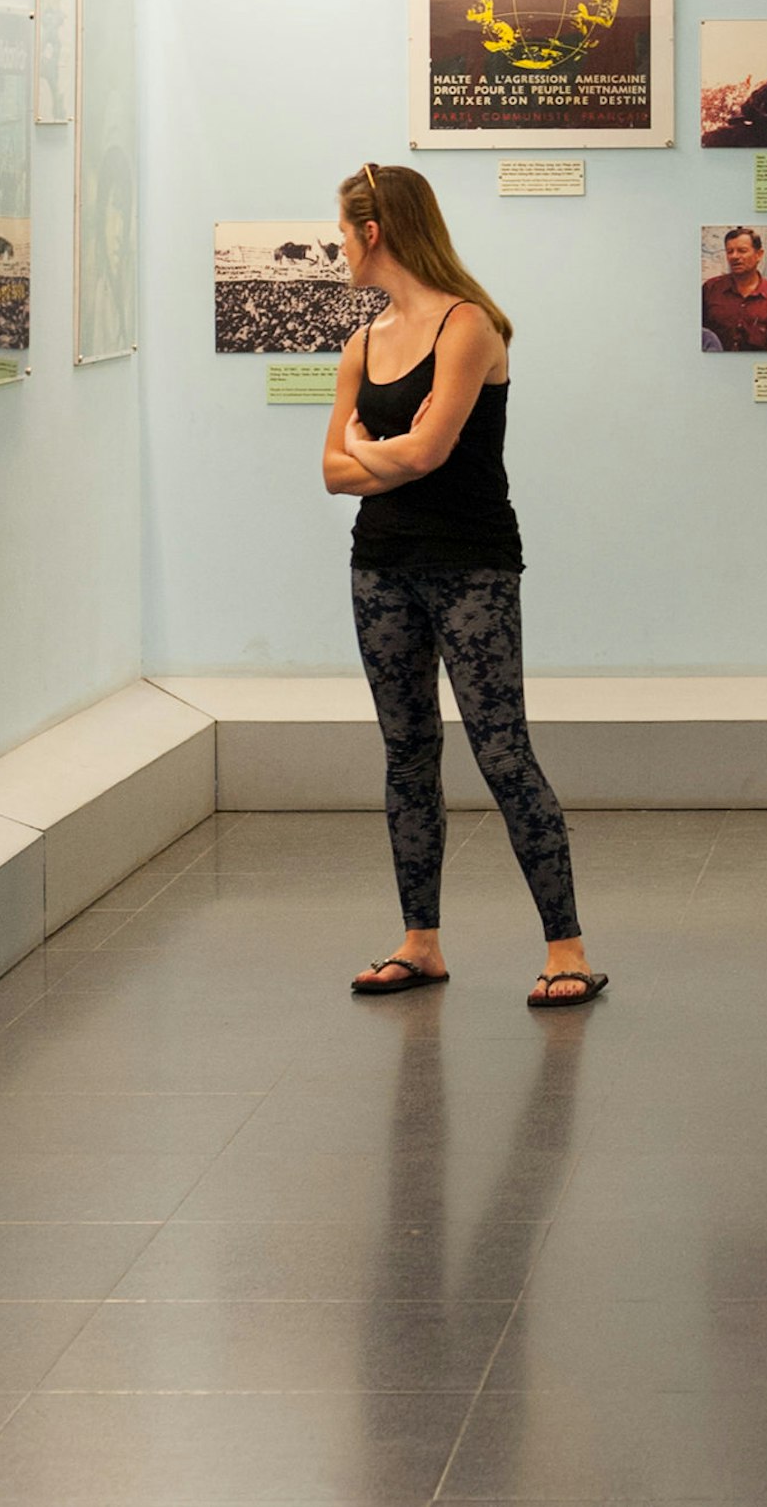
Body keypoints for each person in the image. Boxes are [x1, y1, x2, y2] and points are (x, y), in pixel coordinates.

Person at [323, 163, 600, 1008]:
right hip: (382, 567)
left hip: (472, 564)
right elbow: (333, 473)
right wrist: (381, 452)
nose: (337, 245)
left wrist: (376, 448)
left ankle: (568, 951)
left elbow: (427, 452)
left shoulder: (470, 326)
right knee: (406, 754)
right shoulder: (362, 343)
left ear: (375, 232)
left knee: (501, 751)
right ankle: (421, 942)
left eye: (343, 229)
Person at [700, 226, 767, 353]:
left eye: (742, 250)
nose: (734, 256)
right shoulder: (711, 289)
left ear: (759, 254)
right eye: (730, 251)